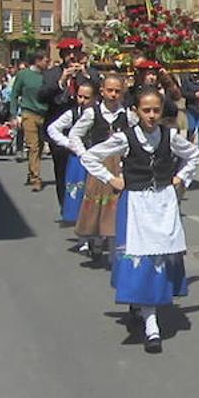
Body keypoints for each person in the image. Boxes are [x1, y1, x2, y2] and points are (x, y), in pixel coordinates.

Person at [82, 86, 199, 353]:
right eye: (146, 110)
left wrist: (182, 178)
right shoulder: (126, 138)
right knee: (143, 259)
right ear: (136, 112)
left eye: (156, 110)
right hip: (136, 204)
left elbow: (193, 154)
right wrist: (111, 178)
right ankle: (151, 325)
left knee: (159, 259)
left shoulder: (169, 136)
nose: (151, 115)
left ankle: (146, 308)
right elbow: (90, 156)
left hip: (164, 203)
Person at [70, 73, 132, 262]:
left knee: (116, 205)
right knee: (98, 203)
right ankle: (96, 240)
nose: (113, 95)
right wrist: (84, 154)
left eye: (117, 91)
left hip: (120, 165)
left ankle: (114, 248)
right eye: (110, 90)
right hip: (100, 164)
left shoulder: (127, 114)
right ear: (102, 92)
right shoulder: (92, 113)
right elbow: (75, 135)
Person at [41, 39, 93, 208]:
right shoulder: (51, 74)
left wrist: (85, 76)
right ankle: (65, 206)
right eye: (68, 54)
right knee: (62, 171)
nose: (72, 57)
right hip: (61, 131)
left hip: (86, 131)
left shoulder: (88, 72)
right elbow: (42, 97)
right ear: (62, 56)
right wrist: (61, 82)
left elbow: (99, 90)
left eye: (75, 53)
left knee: (86, 170)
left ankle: (83, 207)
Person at [48, 81, 96, 225]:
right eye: (79, 96)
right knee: (77, 186)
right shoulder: (73, 113)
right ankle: (75, 215)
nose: (82, 101)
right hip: (77, 156)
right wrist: (67, 143)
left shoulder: (99, 114)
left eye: (86, 98)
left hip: (96, 156)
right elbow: (53, 128)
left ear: (95, 98)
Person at [10, 51, 50, 191]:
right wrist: (14, 115)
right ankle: (35, 178)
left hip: (44, 114)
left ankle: (31, 170)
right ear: (37, 61)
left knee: (40, 145)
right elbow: (14, 94)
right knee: (33, 146)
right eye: (46, 60)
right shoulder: (23, 75)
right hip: (29, 113)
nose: (48, 62)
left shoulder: (47, 75)